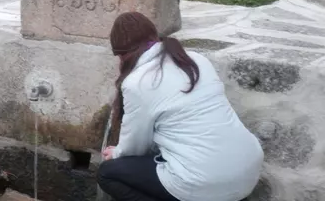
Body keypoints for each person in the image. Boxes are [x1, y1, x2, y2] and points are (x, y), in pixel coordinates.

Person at [97, 12, 264, 201]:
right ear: (153, 36)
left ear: (123, 55)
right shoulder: (195, 59)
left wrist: (117, 152)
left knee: (108, 173)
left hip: (204, 182)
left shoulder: (137, 83)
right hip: (248, 169)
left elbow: (136, 147)